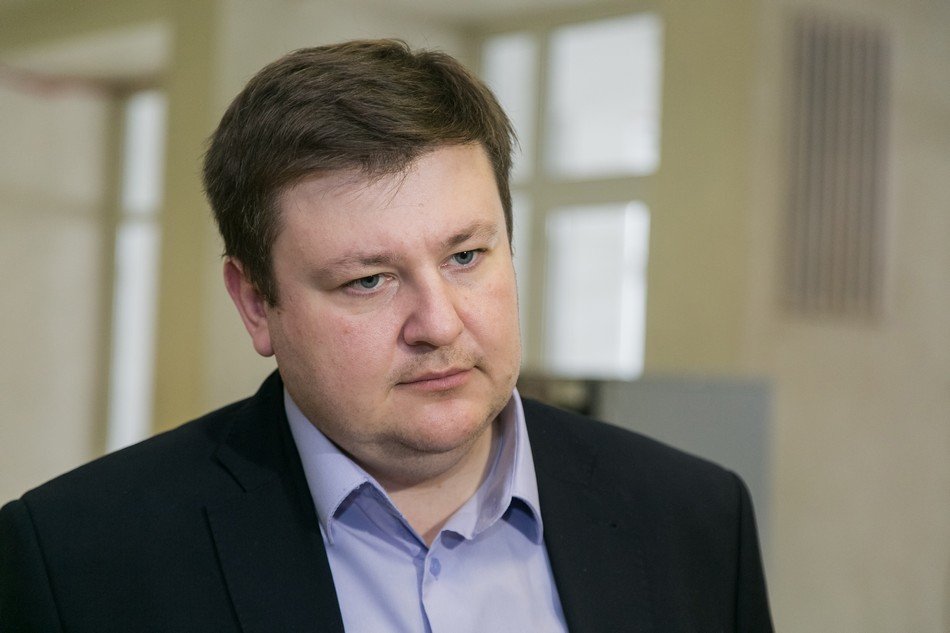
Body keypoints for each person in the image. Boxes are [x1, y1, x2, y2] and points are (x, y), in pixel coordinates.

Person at [0, 40, 773, 632]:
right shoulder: (77, 563)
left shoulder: (696, 521)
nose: (439, 323)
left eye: (466, 256)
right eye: (368, 279)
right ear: (256, 303)